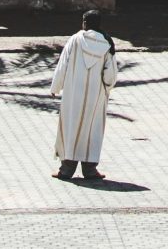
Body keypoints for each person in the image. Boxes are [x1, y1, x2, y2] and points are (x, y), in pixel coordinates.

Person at [49, 11, 117, 181]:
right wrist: (107, 88)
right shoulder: (107, 43)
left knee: (71, 128)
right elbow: (111, 74)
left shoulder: (75, 40)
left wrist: (56, 87)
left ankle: (66, 170)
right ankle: (90, 170)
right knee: (92, 130)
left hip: (73, 94)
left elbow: (63, 64)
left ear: (85, 23)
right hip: (96, 95)